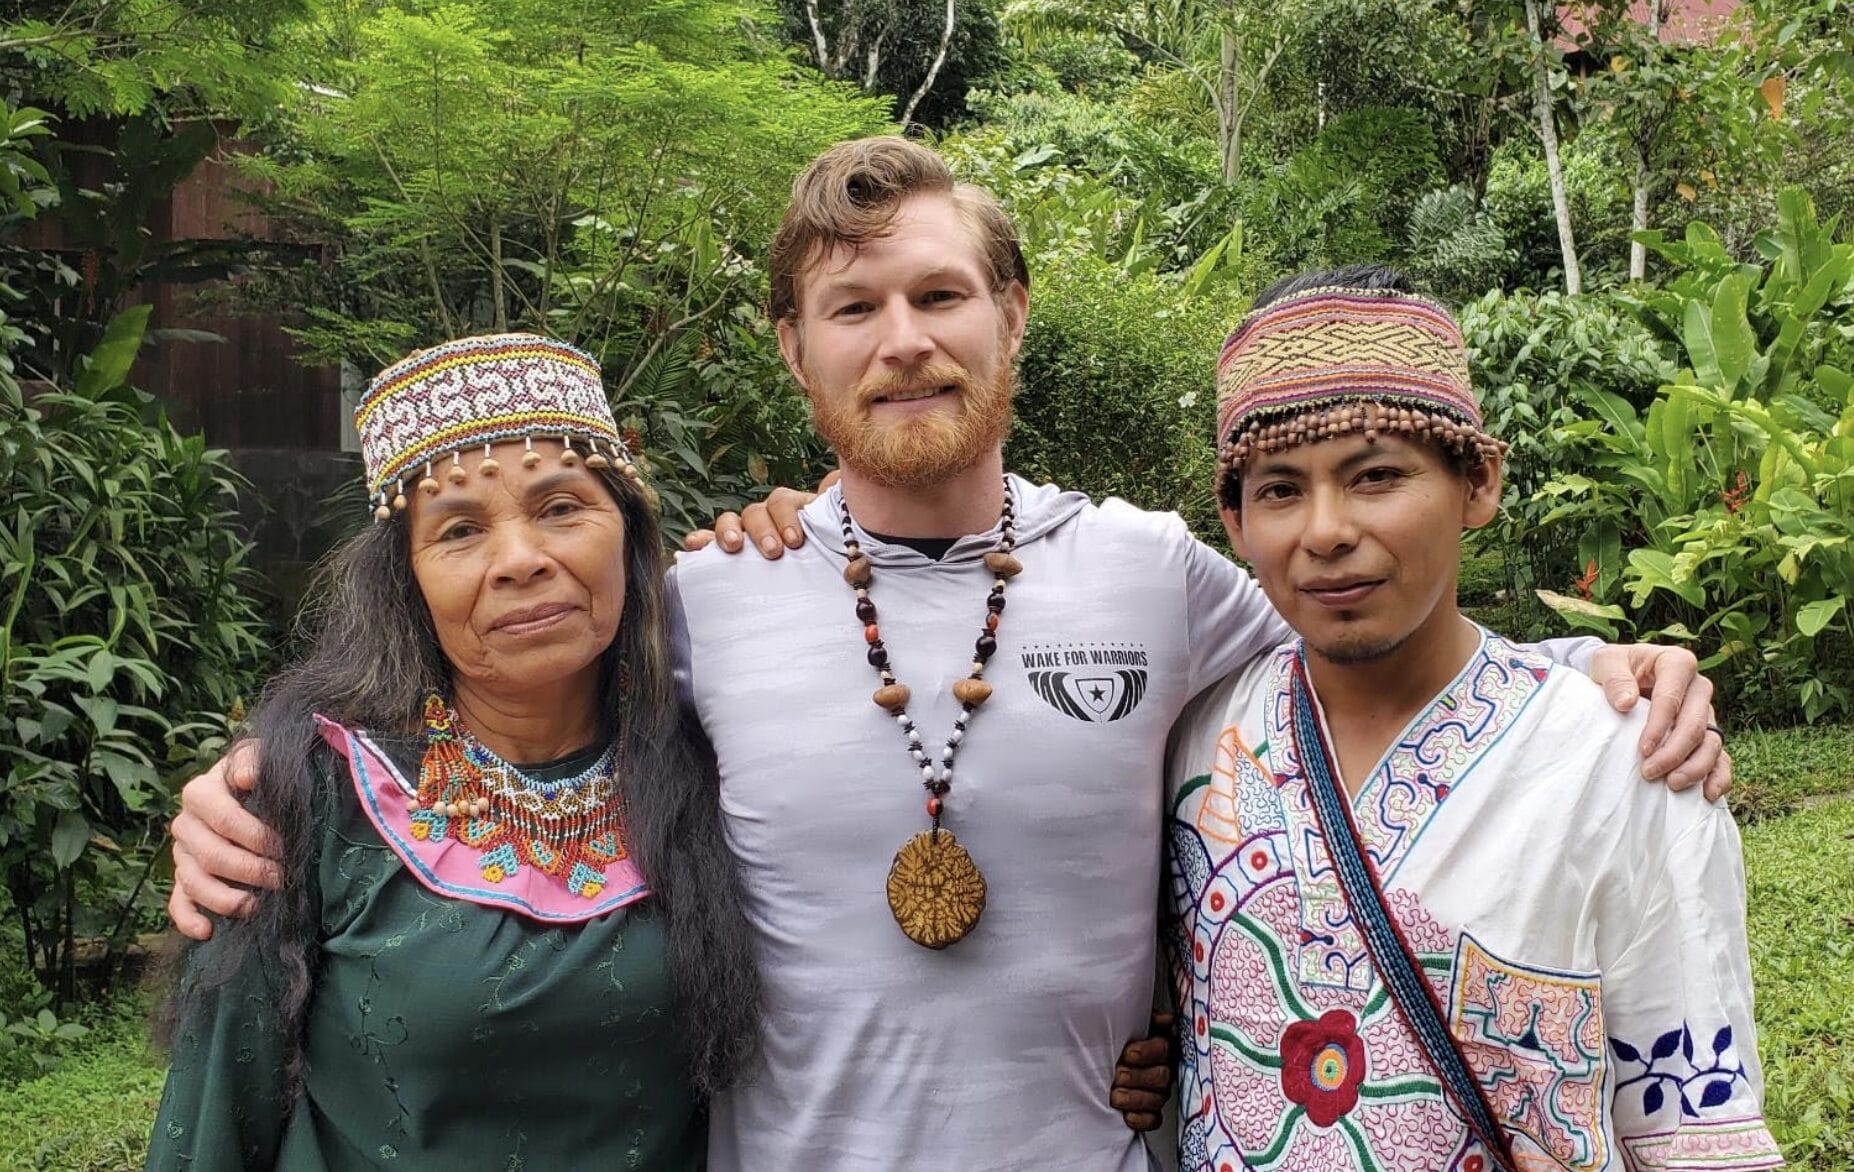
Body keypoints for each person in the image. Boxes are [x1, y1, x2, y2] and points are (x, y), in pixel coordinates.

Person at [164, 139, 1729, 1171]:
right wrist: (250, 784)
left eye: (939, 293)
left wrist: (1594, 671)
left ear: (1012, 316)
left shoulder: (1154, 575)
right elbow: (486, 703)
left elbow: (1367, 642)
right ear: (793, 348)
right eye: (851, 307)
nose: (902, 339)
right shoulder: (703, 597)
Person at [1161, 267, 1780, 1170]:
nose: (1324, 530)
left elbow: (1693, 1128)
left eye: (1376, 475)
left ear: (1478, 482)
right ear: (1234, 519)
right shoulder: (1197, 740)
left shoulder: (1627, 767)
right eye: (1281, 489)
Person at [146, 334, 761, 1170]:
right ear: (408, 579)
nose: (520, 561)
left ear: (629, 532)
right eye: (460, 530)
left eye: (561, 508)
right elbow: (216, 1117)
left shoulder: (719, 754)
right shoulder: (311, 795)